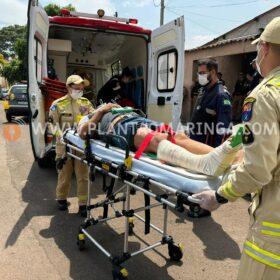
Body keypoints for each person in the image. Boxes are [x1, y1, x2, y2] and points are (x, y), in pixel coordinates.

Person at [192, 17, 280, 279]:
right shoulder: (203, 91)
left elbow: (257, 170)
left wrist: (219, 196)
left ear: (264, 48)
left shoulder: (262, 95)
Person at [49, 75, 95, 217]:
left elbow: (94, 118)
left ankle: (82, 204)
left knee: (83, 177)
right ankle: (61, 198)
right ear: (68, 87)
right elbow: (51, 124)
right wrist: (59, 135)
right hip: (64, 146)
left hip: (81, 147)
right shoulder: (58, 104)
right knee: (64, 175)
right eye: (76, 89)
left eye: (82, 89)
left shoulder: (86, 103)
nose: (79, 91)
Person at [189, 59, 232, 148]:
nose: (199, 76)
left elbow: (223, 131)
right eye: (199, 73)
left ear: (212, 72)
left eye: (202, 73)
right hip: (195, 144)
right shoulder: (204, 90)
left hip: (206, 149)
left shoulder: (221, 96)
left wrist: (216, 154)